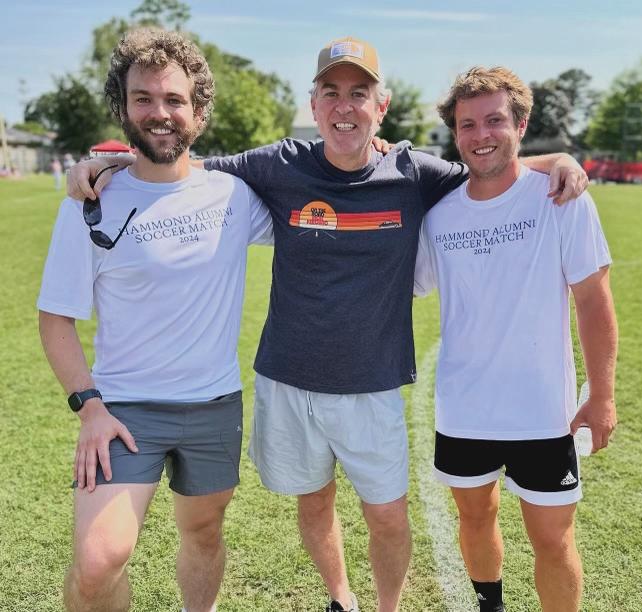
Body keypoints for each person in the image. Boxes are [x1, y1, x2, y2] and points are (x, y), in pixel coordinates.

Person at [66, 38, 589, 612]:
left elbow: (490, 163)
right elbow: (180, 166)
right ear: (314, 105)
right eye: (331, 93)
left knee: (388, 518)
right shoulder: (277, 164)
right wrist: (108, 164)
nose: (345, 106)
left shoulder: (415, 172)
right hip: (289, 381)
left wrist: (558, 161)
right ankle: (342, 598)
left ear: (381, 106)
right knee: (313, 505)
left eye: (359, 93)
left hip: (374, 385)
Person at [38, 28, 272, 612]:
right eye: (143, 98)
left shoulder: (235, 195)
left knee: (204, 533)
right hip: (122, 410)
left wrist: (374, 148)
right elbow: (56, 318)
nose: (160, 113)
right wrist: (89, 407)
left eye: (174, 100)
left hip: (214, 404)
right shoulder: (90, 201)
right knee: (98, 562)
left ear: (199, 111)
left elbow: (326, 186)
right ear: (123, 107)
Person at [414, 66, 617, 612]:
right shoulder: (439, 214)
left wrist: (602, 396)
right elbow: (410, 283)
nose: (481, 135)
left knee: (553, 539)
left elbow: (593, 302)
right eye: (467, 124)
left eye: (494, 121)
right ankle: (491, 606)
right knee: (475, 518)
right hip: (464, 409)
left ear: (520, 124)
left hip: (543, 413)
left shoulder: (561, 199)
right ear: (455, 133)